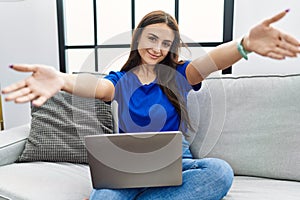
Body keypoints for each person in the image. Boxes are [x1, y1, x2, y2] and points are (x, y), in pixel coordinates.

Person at [2, 9, 300, 200]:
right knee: (106, 198)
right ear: (137, 38)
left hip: (176, 160)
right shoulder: (119, 80)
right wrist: (62, 79)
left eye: (166, 43)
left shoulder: (180, 75)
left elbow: (211, 62)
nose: (157, 49)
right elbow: (97, 88)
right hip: (127, 164)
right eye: (152, 38)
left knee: (220, 172)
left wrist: (243, 45)